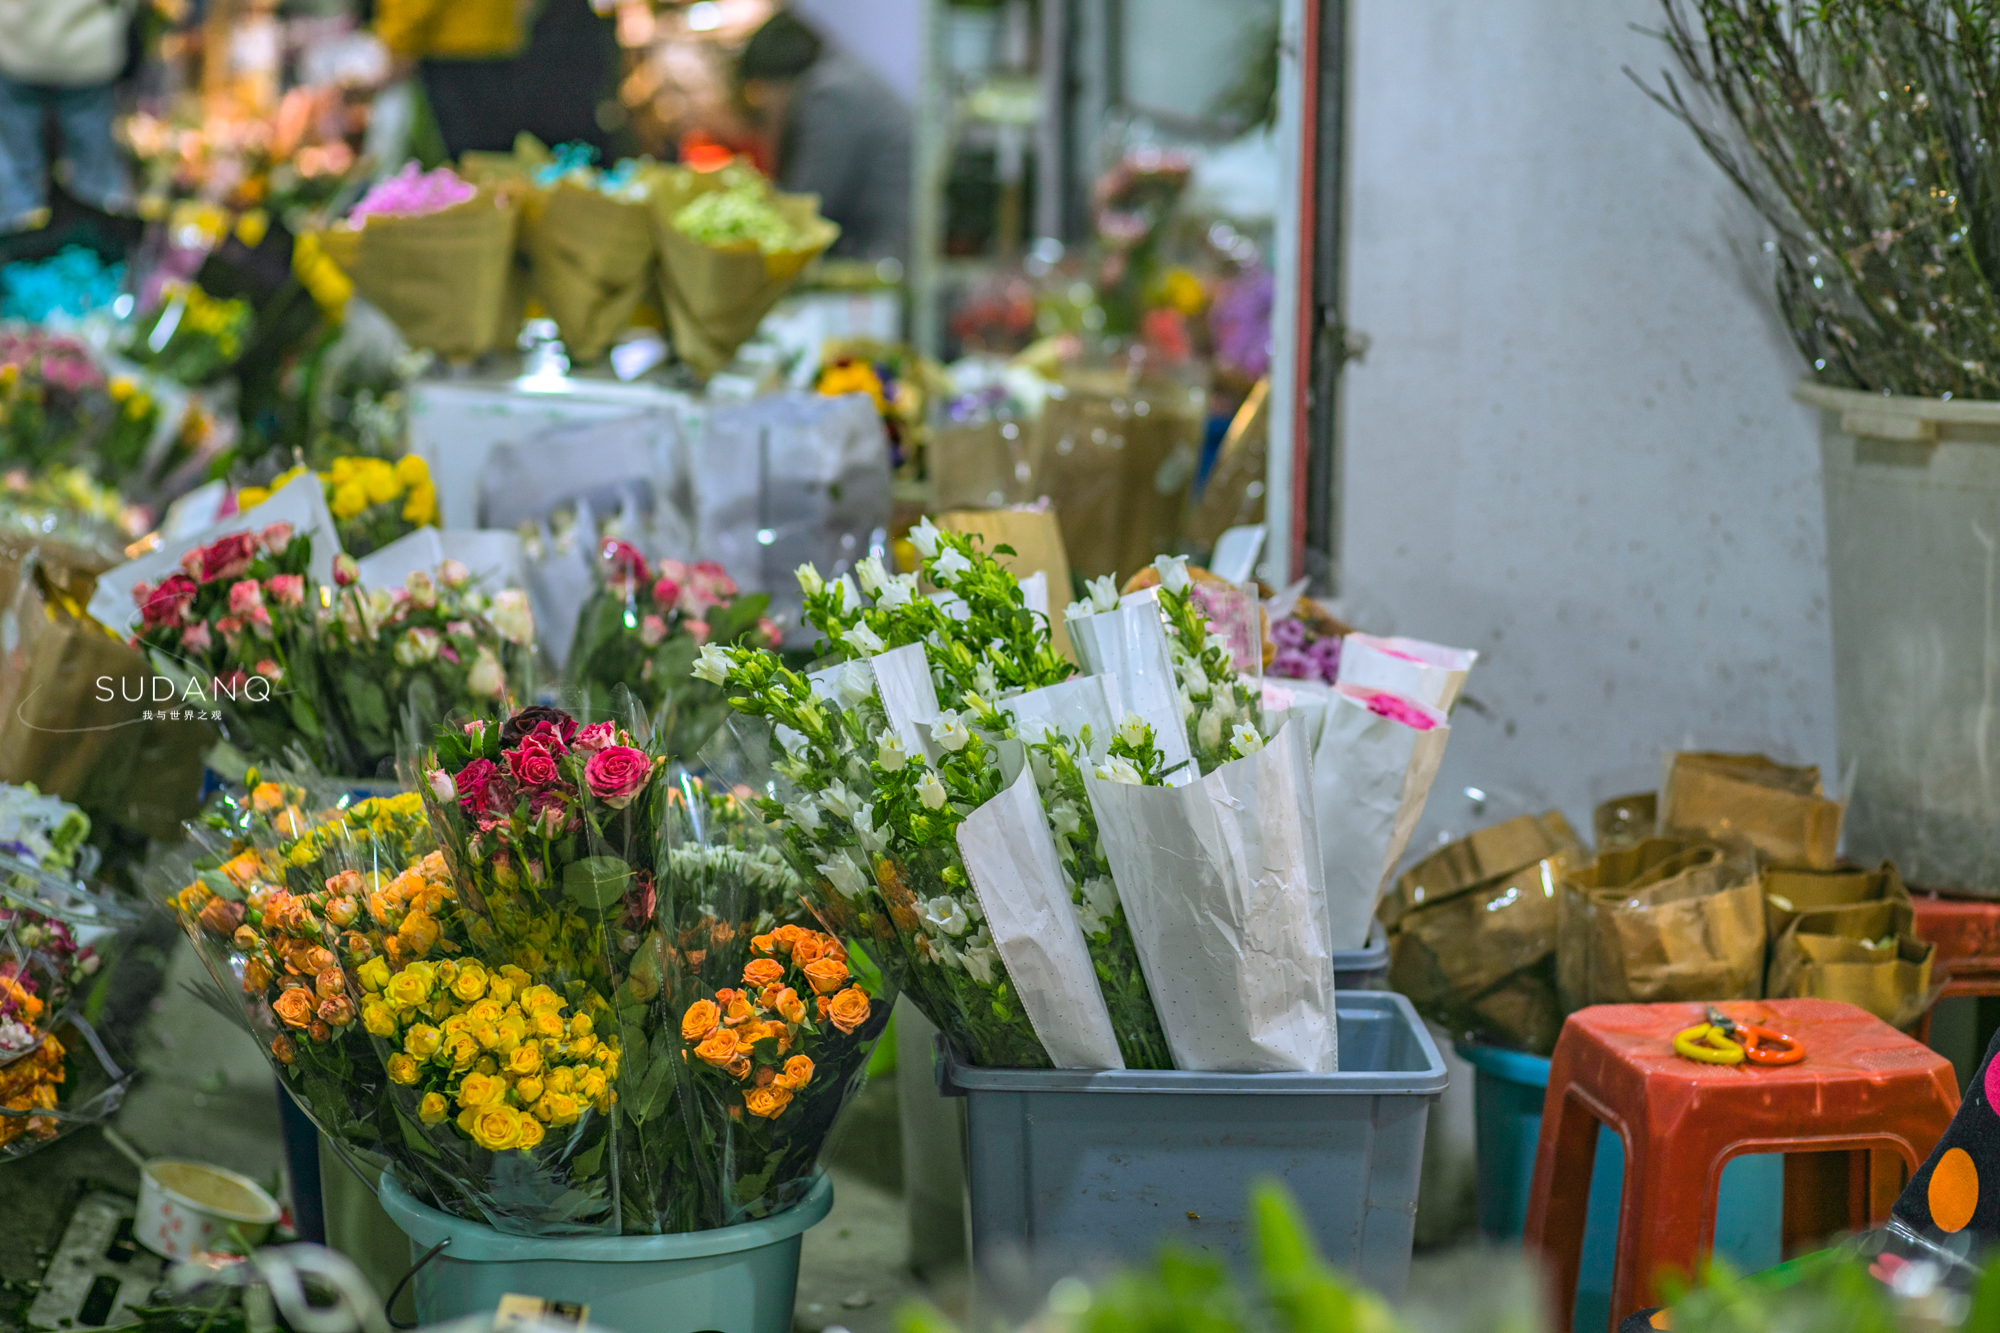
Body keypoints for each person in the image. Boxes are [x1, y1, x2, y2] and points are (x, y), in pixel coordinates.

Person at [735, 11, 911, 263]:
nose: (764, 111)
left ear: (770, 83)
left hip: (880, 256)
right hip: (885, 247)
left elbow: (809, 202)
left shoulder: (830, 94)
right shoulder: (841, 74)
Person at [0, 0, 138, 233]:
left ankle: (16, 243)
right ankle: (101, 242)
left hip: (17, 46)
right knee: (95, 174)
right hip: (87, 49)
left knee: (16, 175)